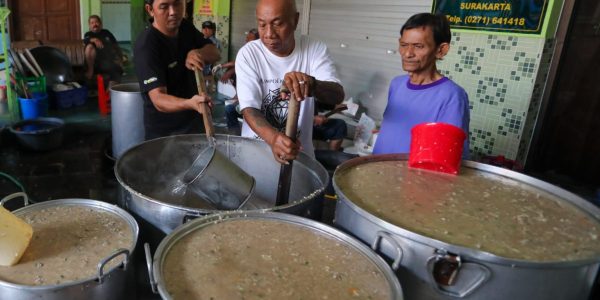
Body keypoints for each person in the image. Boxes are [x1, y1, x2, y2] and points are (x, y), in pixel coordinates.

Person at [235, 0, 345, 164]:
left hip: (300, 159)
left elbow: (337, 95)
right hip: (254, 159)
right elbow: (249, 108)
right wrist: (273, 139)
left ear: (295, 20)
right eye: (262, 25)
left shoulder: (314, 50)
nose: (269, 34)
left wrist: (313, 84)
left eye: (277, 24)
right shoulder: (249, 54)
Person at [372, 13, 470, 158]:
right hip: (375, 169)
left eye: (418, 46)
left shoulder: (452, 96)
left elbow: (449, 157)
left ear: (441, 50)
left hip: (409, 179)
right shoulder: (397, 84)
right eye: (403, 45)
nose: (407, 53)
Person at [134, 0, 221, 140]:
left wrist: (198, 53)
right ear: (150, 10)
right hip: (165, 135)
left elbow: (215, 52)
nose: (173, 12)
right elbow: (158, 99)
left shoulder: (185, 26)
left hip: (196, 124)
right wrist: (190, 103)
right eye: (164, 6)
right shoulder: (147, 46)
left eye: (177, 4)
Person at [212, 28, 260, 135]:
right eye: (246, 39)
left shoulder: (257, 52)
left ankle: (234, 134)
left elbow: (240, 64)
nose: (246, 41)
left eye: (249, 39)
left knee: (230, 110)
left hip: (255, 100)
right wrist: (224, 67)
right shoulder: (247, 50)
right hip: (245, 97)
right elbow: (239, 63)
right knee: (230, 107)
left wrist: (225, 68)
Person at [83, 15, 123, 86]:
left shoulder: (106, 32)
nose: (94, 24)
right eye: (92, 23)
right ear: (89, 25)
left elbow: (116, 45)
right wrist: (93, 39)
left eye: (96, 22)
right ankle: (90, 70)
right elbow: (85, 40)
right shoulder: (88, 34)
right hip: (95, 64)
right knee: (89, 47)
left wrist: (120, 58)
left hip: (108, 62)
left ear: (100, 24)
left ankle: (110, 93)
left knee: (117, 70)